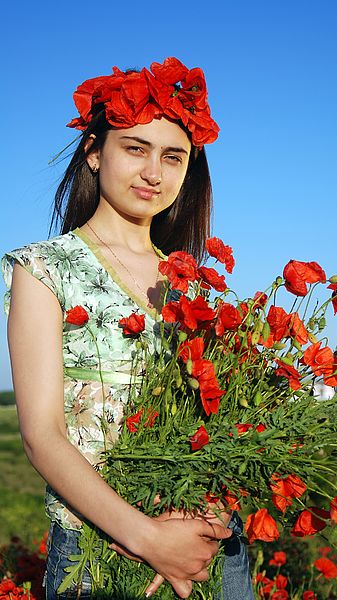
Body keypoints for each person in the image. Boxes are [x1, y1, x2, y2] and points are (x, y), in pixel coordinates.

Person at [2, 57, 254, 600]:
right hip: (101, 547)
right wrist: (145, 537)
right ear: (94, 153)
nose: (153, 173)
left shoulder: (189, 283)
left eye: (172, 156)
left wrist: (204, 515)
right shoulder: (43, 269)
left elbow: (215, 419)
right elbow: (41, 434)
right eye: (134, 148)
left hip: (208, 539)